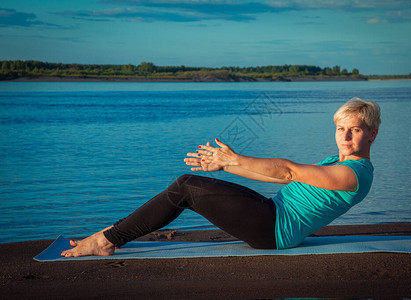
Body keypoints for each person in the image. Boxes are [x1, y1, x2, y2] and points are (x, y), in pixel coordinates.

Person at [61, 97, 380, 257]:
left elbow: (287, 171)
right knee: (187, 186)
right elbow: (277, 178)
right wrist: (226, 166)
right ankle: (113, 233)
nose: (346, 136)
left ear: (372, 134)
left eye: (355, 130)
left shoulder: (353, 175)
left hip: (274, 230)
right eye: (341, 128)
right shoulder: (336, 162)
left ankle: (106, 240)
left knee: (186, 187)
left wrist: (236, 159)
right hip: (271, 215)